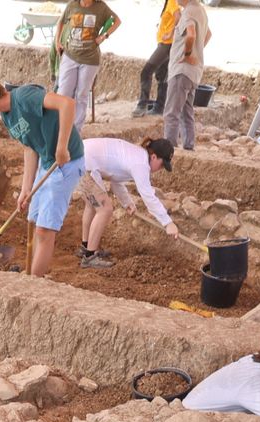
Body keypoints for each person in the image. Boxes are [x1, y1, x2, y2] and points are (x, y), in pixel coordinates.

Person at [0, 75, 83, 279]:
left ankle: (33, 284)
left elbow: (67, 104)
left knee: (45, 231)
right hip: (47, 164)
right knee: (32, 220)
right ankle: (32, 273)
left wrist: (62, 146)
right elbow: (29, 148)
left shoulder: (24, 97)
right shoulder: (6, 116)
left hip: (65, 163)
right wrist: (25, 189)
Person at [76, 136, 177, 267]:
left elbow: (116, 180)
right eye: (162, 164)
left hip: (80, 157)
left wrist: (127, 203)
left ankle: (86, 247)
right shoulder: (141, 164)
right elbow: (148, 196)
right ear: (153, 157)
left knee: (92, 204)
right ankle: (89, 257)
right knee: (104, 209)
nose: (161, 168)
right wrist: (168, 223)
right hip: (85, 164)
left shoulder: (136, 154)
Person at [53, 0, 118, 122]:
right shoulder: (72, 5)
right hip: (70, 56)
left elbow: (116, 20)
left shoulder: (101, 7)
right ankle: (60, 126)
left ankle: (76, 131)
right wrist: (58, 41)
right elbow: (60, 22)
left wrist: (104, 36)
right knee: (63, 94)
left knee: (81, 95)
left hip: (89, 59)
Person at [161, 0, 209, 152]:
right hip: (193, 72)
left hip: (181, 70)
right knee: (186, 112)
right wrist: (196, 51)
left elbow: (191, 34)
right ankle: (188, 147)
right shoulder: (200, 10)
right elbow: (207, 34)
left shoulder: (188, 12)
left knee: (171, 113)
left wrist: (188, 54)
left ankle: (168, 152)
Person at [133, 0, 178, 117]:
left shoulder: (172, 2)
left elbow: (178, 17)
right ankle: (159, 107)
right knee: (162, 76)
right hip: (166, 44)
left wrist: (170, 33)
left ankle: (142, 105)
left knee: (146, 72)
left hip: (166, 44)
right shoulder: (169, 2)